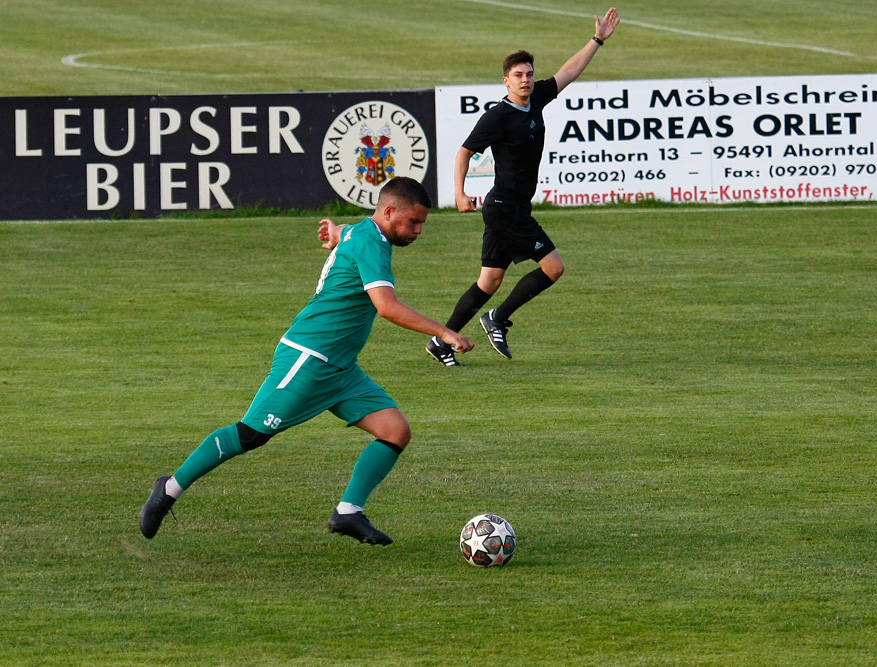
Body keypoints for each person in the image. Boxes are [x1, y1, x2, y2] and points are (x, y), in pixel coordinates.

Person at [140, 177, 474, 545]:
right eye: (414, 222)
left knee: (395, 431)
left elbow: (350, 233)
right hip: (309, 358)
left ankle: (348, 512)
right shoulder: (370, 243)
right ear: (389, 212)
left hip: (341, 369)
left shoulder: (364, 233)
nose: (419, 230)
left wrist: (335, 235)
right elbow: (387, 307)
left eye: (422, 223)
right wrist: (444, 332)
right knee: (250, 434)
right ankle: (169, 488)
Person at [425, 7, 621, 366]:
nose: (526, 80)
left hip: (512, 207)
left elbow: (569, 72)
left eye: (529, 74)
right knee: (554, 268)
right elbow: (464, 152)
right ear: (506, 81)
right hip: (505, 208)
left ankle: (440, 341)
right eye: (518, 75)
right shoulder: (497, 116)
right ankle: (497, 319)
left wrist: (597, 40)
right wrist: (458, 193)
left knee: (489, 281)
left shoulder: (536, 101)